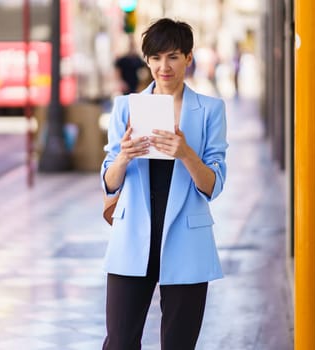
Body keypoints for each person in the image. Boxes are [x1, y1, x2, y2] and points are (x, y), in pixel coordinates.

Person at [100, 18, 228, 349]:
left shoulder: (209, 110)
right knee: (119, 342)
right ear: (147, 61)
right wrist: (124, 157)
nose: (163, 67)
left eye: (172, 56)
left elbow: (213, 186)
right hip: (132, 238)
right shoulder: (125, 107)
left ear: (188, 57)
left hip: (187, 240)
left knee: (178, 344)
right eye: (155, 58)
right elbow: (109, 183)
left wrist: (186, 153)